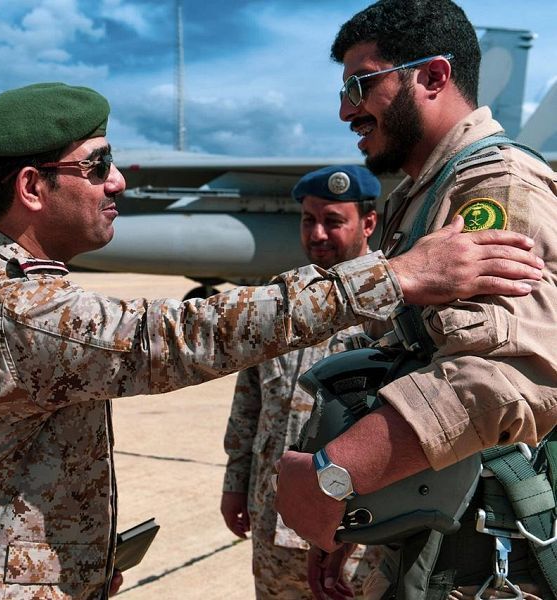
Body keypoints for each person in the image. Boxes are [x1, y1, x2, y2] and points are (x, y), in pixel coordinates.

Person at [0, 81, 543, 600]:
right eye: (97, 165)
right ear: (33, 188)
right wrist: (392, 277)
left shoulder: (9, 293)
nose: (117, 181)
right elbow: (177, 336)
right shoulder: (8, 311)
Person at [274, 1, 557, 599]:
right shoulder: (425, 193)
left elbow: (508, 371)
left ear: (432, 76)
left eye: (361, 84)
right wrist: (360, 509)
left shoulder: (494, 185)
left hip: (492, 554)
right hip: (436, 530)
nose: (346, 110)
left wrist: (337, 474)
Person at [221, 165, 383, 599]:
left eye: (333, 221)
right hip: (272, 518)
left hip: (355, 535)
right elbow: (249, 404)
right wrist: (235, 484)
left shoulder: (390, 312)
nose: (318, 234)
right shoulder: (280, 303)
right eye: (309, 220)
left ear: (368, 223)